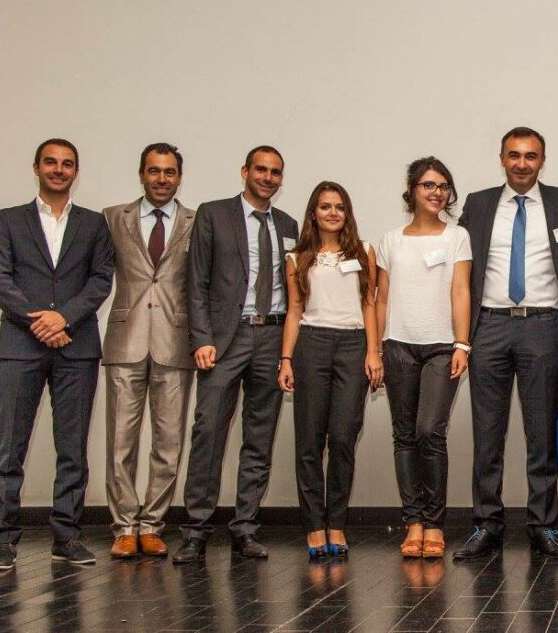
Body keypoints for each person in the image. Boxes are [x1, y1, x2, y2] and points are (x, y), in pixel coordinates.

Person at [453, 126, 558, 561]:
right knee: (487, 434)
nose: (522, 163)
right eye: (514, 155)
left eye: (531, 156)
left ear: (541, 161)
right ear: (502, 158)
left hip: (541, 326)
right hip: (488, 326)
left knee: (540, 434)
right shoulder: (477, 204)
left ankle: (543, 526)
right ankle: (486, 525)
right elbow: (459, 266)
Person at [0, 138, 114, 571]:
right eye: (51, 162)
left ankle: (68, 537)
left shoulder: (95, 224)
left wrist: (63, 320)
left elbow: (100, 281)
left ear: (76, 171)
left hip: (76, 350)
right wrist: (40, 322)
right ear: (36, 167)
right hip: (20, 349)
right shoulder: (8, 220)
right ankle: (3, 540)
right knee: (9, 449)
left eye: (67, 164)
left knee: (72, 449)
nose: (59, 169)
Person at [175, 146, 298, 564]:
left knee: (259, 438)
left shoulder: (289, 225)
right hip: (225, 340)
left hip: (273, 337)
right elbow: (196, 282)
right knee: (209, 432)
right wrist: (201, 338)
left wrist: (288, 352)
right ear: (245, 171)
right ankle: (195, 530)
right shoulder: (213, 214)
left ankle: (245, 527)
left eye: (275, 172)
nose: (267, 177)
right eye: (260, 169)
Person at [278, 182, 382, 560]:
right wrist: (286, 358)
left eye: (339, 206)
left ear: (347, 212)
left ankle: (336, 521)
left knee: (341, 437)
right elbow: (293, 310)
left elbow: (369, 304)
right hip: (311, 344)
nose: (333, 212)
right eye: (325, 207)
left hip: (353, 345)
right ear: (314, 213)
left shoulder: (364, 251)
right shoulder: (297, 257)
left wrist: (374, 352)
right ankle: (314, 526)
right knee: (309, 441)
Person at [101, 143, 195, 559]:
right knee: (120, 442)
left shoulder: (197, 221)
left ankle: (153, 524)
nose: (162, 179)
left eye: (170, 172)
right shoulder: (111, 219)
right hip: (126, 339)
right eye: (154, 171)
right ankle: (124, 526)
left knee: (169, 442)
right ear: (141, 174)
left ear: (179, 177)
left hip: (176, 342)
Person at [375, 157, 471, 559]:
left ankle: (434, 523)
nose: (436, 192)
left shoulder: (457, 237)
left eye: (443, 186)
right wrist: (375, 349)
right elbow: (380, 297)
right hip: (397, 345)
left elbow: (461, 291)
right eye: (428, 185)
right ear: (412, 189)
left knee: (430, 430)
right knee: (404, 435)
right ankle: (412, 521)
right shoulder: (390, 241)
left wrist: (462, 344)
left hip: (440, 347)